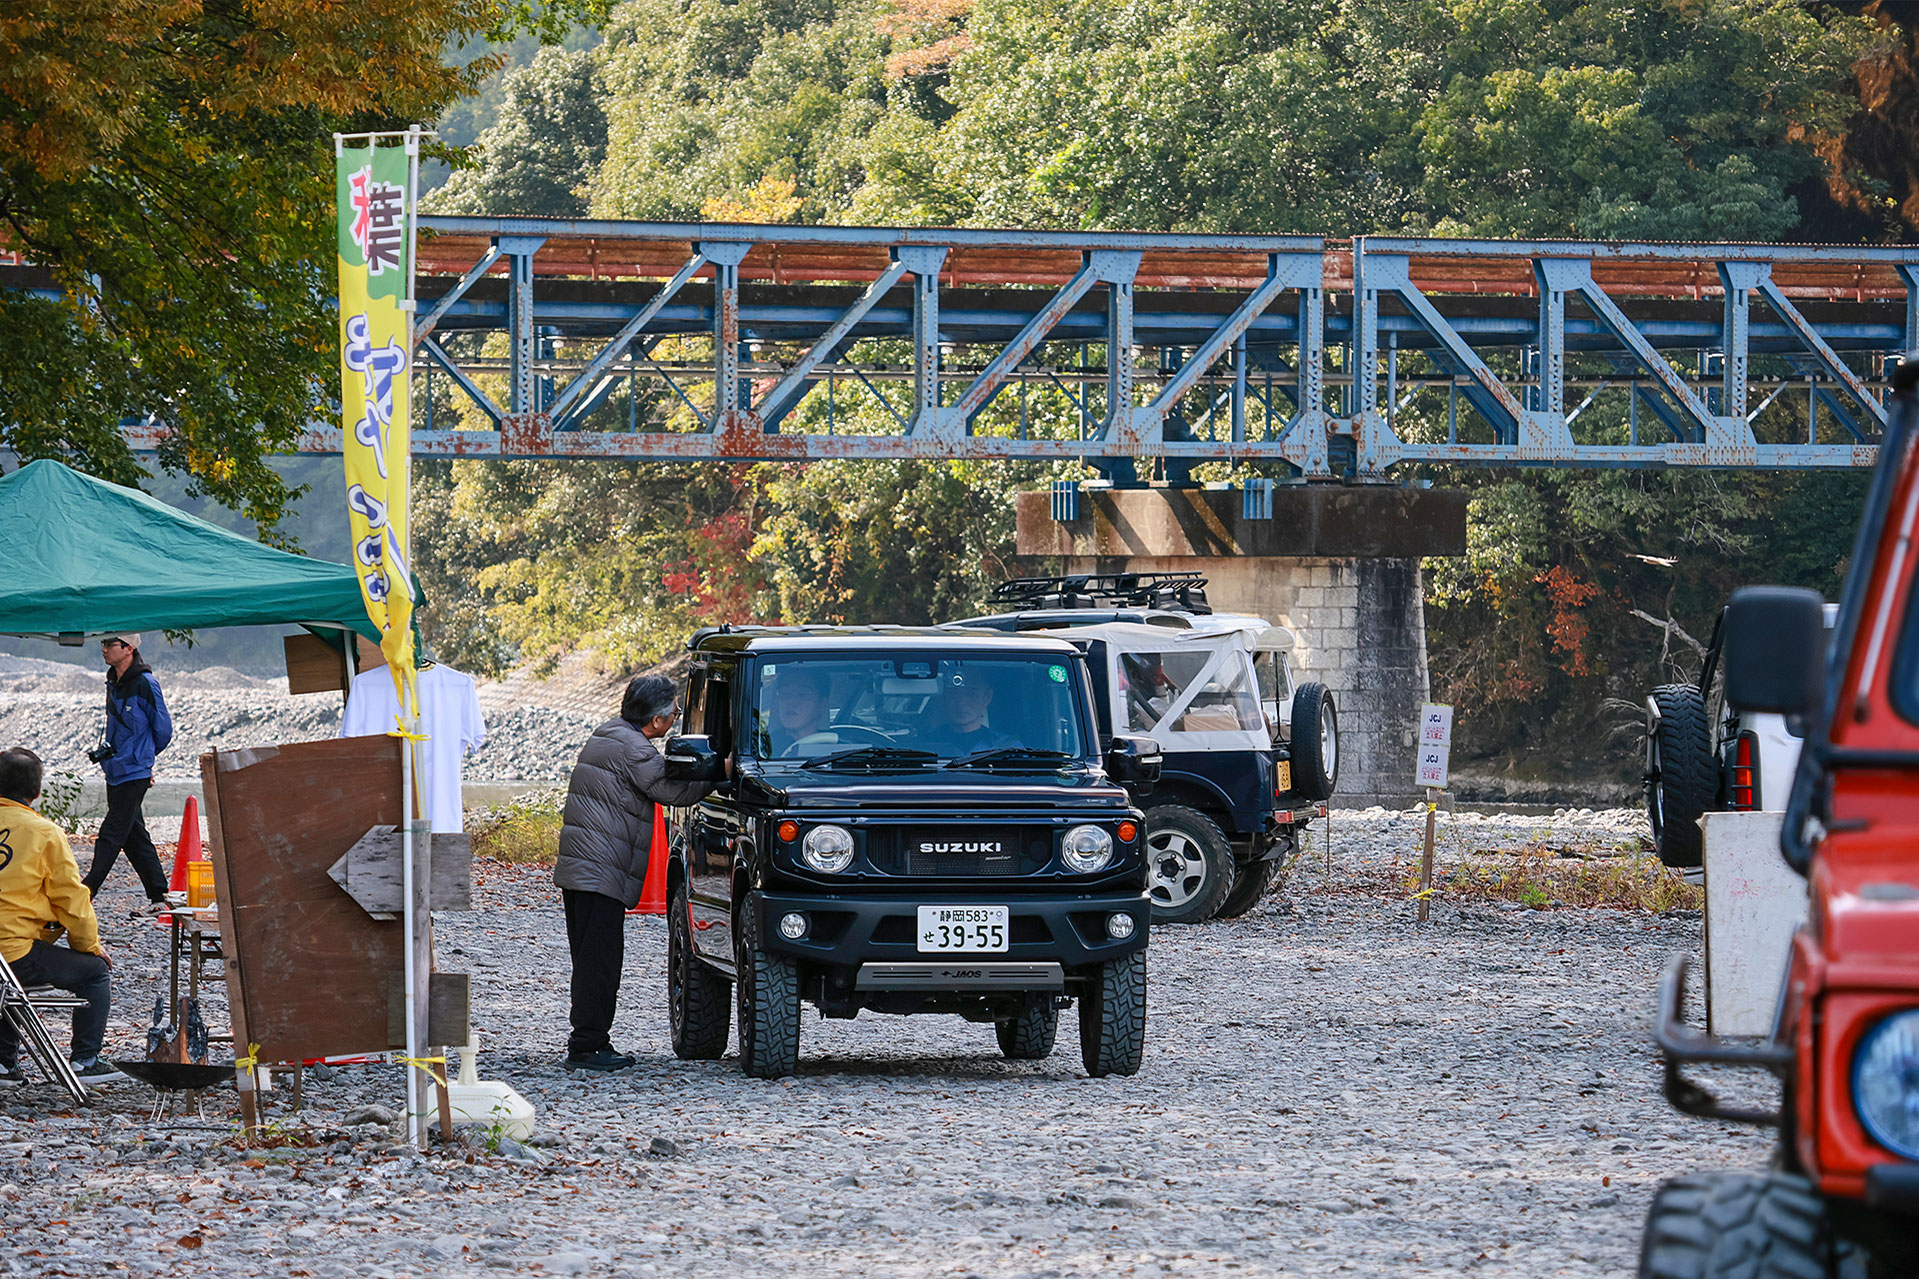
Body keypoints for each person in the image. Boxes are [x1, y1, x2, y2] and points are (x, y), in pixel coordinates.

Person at [553, 674, 722, 1071]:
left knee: (589, 957)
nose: (675, 718)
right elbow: (671, 791)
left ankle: (588, 1040)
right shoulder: (634, 748)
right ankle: (587, 1046)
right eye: (674, 712)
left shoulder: (609, 733)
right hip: (599, 871)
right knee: (601, 961)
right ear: (657, 719)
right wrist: (721, 772)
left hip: (582, 867)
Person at [0, 747, 122, 1086]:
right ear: (37, 791)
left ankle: (3, 1064)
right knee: (94, 973)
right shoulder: (44, 833)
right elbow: (72, 900)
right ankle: (85, 1059)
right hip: (12, 953)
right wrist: (89, 946)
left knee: (7, 976)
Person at [82, 634, 173, 912]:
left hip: (134, 771)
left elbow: (163, 730)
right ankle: (160, 896)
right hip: (115, 769)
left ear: (129, 648)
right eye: (103, 644)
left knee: (111, 832)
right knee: (134, 836)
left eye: (110, 644)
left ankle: (86, 890)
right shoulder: (113, 682)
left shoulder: (146, 683)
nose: (104, 649)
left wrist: (143, 759)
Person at [926, 672, 1014, 755]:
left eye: (971, 694)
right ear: (943, 697)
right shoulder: (925, 746)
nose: (962, 702)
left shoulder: (1008, 748)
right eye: (954, 694)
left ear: (987, 697)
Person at [765, 667, 834, 756]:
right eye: (785, 693)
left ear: (822, 705)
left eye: (802, 694)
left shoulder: (838, 747)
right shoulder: (764, 747)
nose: (790, 701)